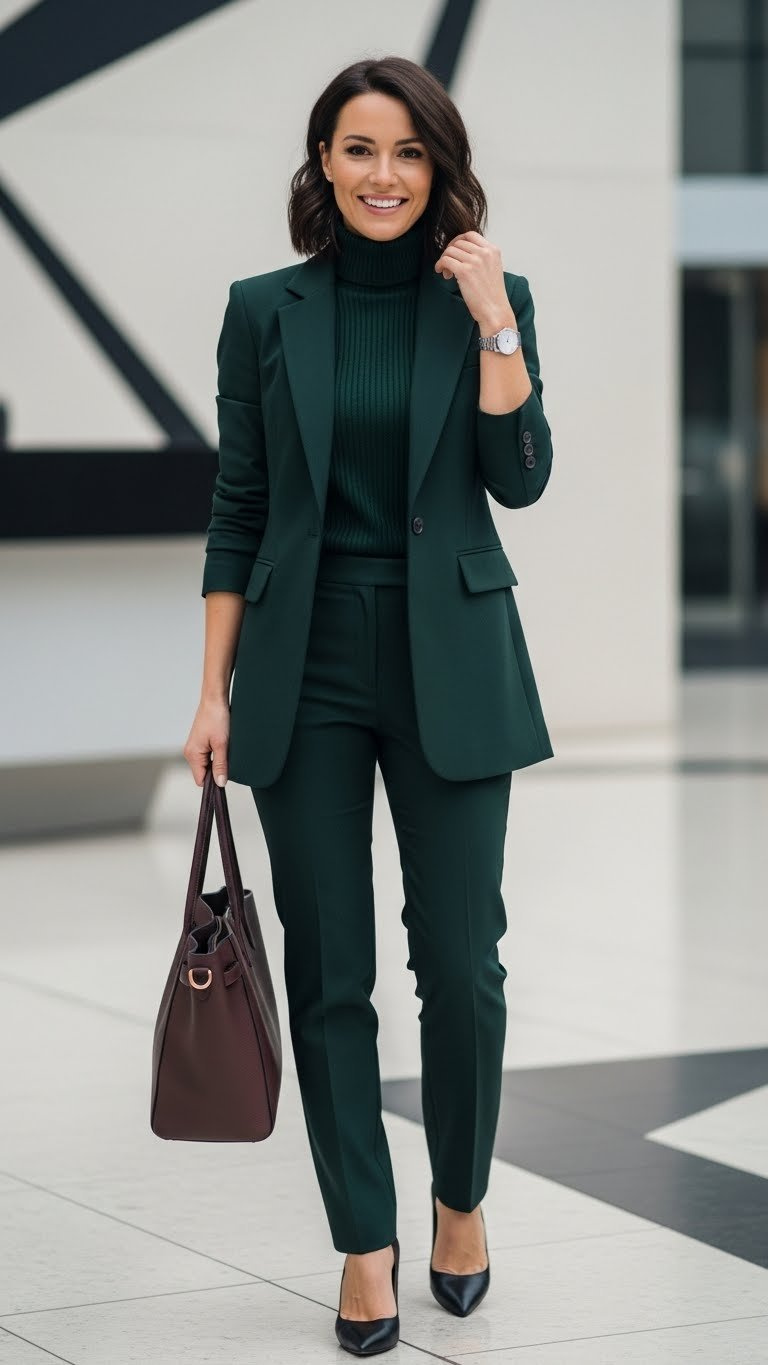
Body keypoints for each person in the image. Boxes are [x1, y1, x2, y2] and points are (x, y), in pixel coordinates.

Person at [184, 54, 554, 1358]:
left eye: (406, 152)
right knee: (329, 965)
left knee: (462, 960)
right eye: (357, 149)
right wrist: (212, 687)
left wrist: (497, 319)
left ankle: (461, 1204)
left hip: (453, 649)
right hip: (303, 659)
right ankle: (365, 1241)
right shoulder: (264, 308)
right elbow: (238, 503)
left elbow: (521, 475)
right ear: (322, 164)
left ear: (437, 166)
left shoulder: (485, 301)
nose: (382, 174)